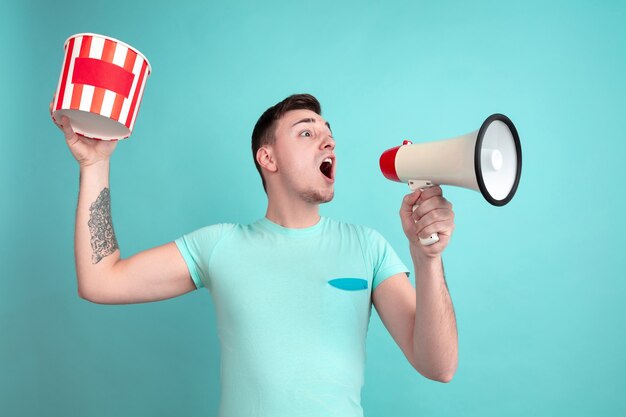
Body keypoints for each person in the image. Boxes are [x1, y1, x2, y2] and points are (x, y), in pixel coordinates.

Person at [50, 93, 458, 416]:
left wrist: (428, 259)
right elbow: (100, 280)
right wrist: (95, 164)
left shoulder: (368, 247)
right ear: (268, 158)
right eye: (306, 132)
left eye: (328, 132)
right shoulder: (220, 245)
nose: (328, 139)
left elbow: (438, 366)